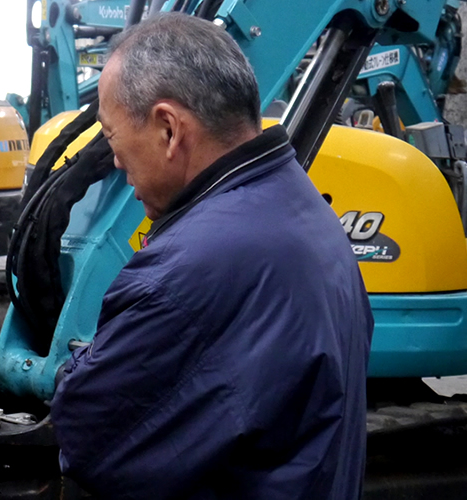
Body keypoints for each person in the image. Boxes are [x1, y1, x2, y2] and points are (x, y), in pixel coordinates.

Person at [49, 13, 372, 499]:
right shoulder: (309, 215)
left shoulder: (185, 270)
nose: (115, 161)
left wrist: (80, 365)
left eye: (113, 139)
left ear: (169, 129)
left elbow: (88, 431)